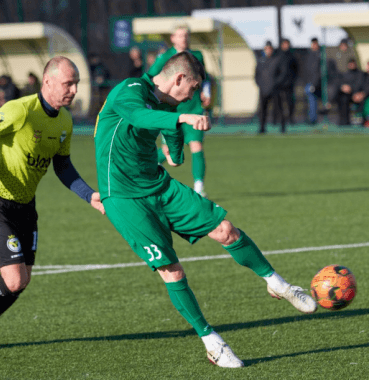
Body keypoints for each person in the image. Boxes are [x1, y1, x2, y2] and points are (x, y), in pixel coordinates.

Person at [93, 51, 317, 368]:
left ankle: (278, 284)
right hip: (125, 197)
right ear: (179, 79)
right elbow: (139, 118)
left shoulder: (169, 104)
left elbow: (171, 137)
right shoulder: (129, 89)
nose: (194, 96)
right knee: (171, 269)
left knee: (226, 229)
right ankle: (212, 342)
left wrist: (174, 150)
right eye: (194, 88)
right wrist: (182, 119)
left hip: (159, 186)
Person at [0, 56, 105, 351]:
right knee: (14, 280)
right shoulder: (20, 110)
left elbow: (63, 167)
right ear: (48, 82)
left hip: (25, 208)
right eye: (69, 83)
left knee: (22, 281)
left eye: (77, 84)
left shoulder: (65, 121)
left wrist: (88, 195)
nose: (74, 89)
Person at [148, 26, 212, 196]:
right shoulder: (165, 57)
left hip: (194, 108)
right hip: (172, 111)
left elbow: (205, 79)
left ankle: (199, 187)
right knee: (169, 150)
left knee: (196, 145)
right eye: (180, 35)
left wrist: (207, 92)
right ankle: (145, 169)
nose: (184, 39)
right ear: (173, 38)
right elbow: (151, 77)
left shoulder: (196, 56)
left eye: (186, 35)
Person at [255, 41, 285, 133]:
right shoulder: (260, 61)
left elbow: (281, 74)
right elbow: (256, 76)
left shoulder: (277, 60)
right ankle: (262, 128)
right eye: (267, 49)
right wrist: (261, 85)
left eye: (270, 49)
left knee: (279, 109)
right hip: (263, 90)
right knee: (263, 110)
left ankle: (282, 128)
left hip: (275, 89)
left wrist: (276, 84)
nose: (268, 51)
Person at [278, 38, 298, 125]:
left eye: (287, 44)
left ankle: (290, 118)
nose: (286, 46)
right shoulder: (278, 56)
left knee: (290, 102)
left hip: (289, 83)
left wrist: (293, 79)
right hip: (279, 84)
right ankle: (279, 119)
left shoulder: (292, 56)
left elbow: (296, 69)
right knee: (279, 103)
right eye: (284, 44)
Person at [304, 37, 323, 125]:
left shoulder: (321, 55)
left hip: (317, 83)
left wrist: (314, 83)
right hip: (309, 82)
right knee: (310, 100)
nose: (314, 46)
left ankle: (313, 118)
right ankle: (311, 117)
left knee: (313, 100)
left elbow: (319, 71)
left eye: (316, 44)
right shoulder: (309, 55)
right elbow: (307, 70)